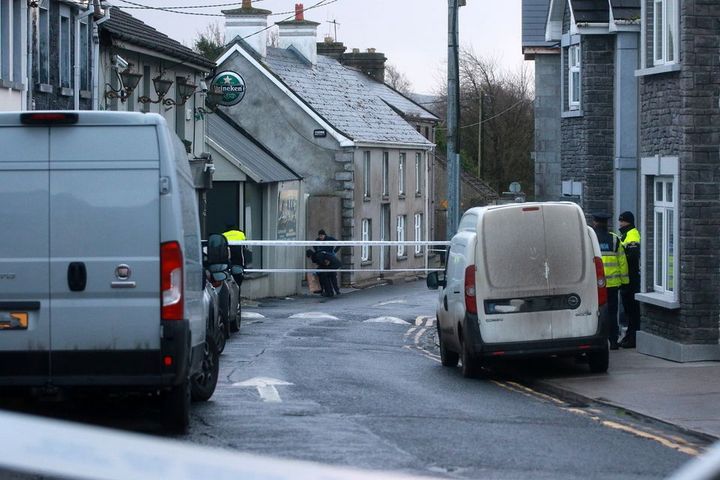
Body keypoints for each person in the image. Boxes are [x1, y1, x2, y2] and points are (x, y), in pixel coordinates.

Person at [591, 212, 629, 350]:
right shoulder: (615, 239)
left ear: (595, 223)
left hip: (596, 285)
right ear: (607, 224)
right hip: (613, 284)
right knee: (612, 313)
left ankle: (599, 342)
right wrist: (625, 282)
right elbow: (622, 262)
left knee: (598, 313)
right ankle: (613, 342)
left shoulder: (590, 238)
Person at [618, 211, 641, 348]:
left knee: (632, 311)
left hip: (631, 279)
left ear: (628, 222)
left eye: (622, 221)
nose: (620, 223)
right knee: (628, 311)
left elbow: (632, 256)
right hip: (626, 279)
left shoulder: (632, 234)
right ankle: (629, 337)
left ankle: (632, 338)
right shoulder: (624, 234)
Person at [314, 229, 341, 295]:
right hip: (323, 257)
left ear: (324, 235)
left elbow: (339, 244)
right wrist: (317, 250)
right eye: (319, 236)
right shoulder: (317, 240)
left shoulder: (330, 239)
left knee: (332, 275)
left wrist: (334, 251)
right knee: (323, 274)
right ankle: (326, 290)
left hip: (330, 257)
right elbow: (314, 245)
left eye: (322, 236)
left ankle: (336, 290)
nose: (321, 237)